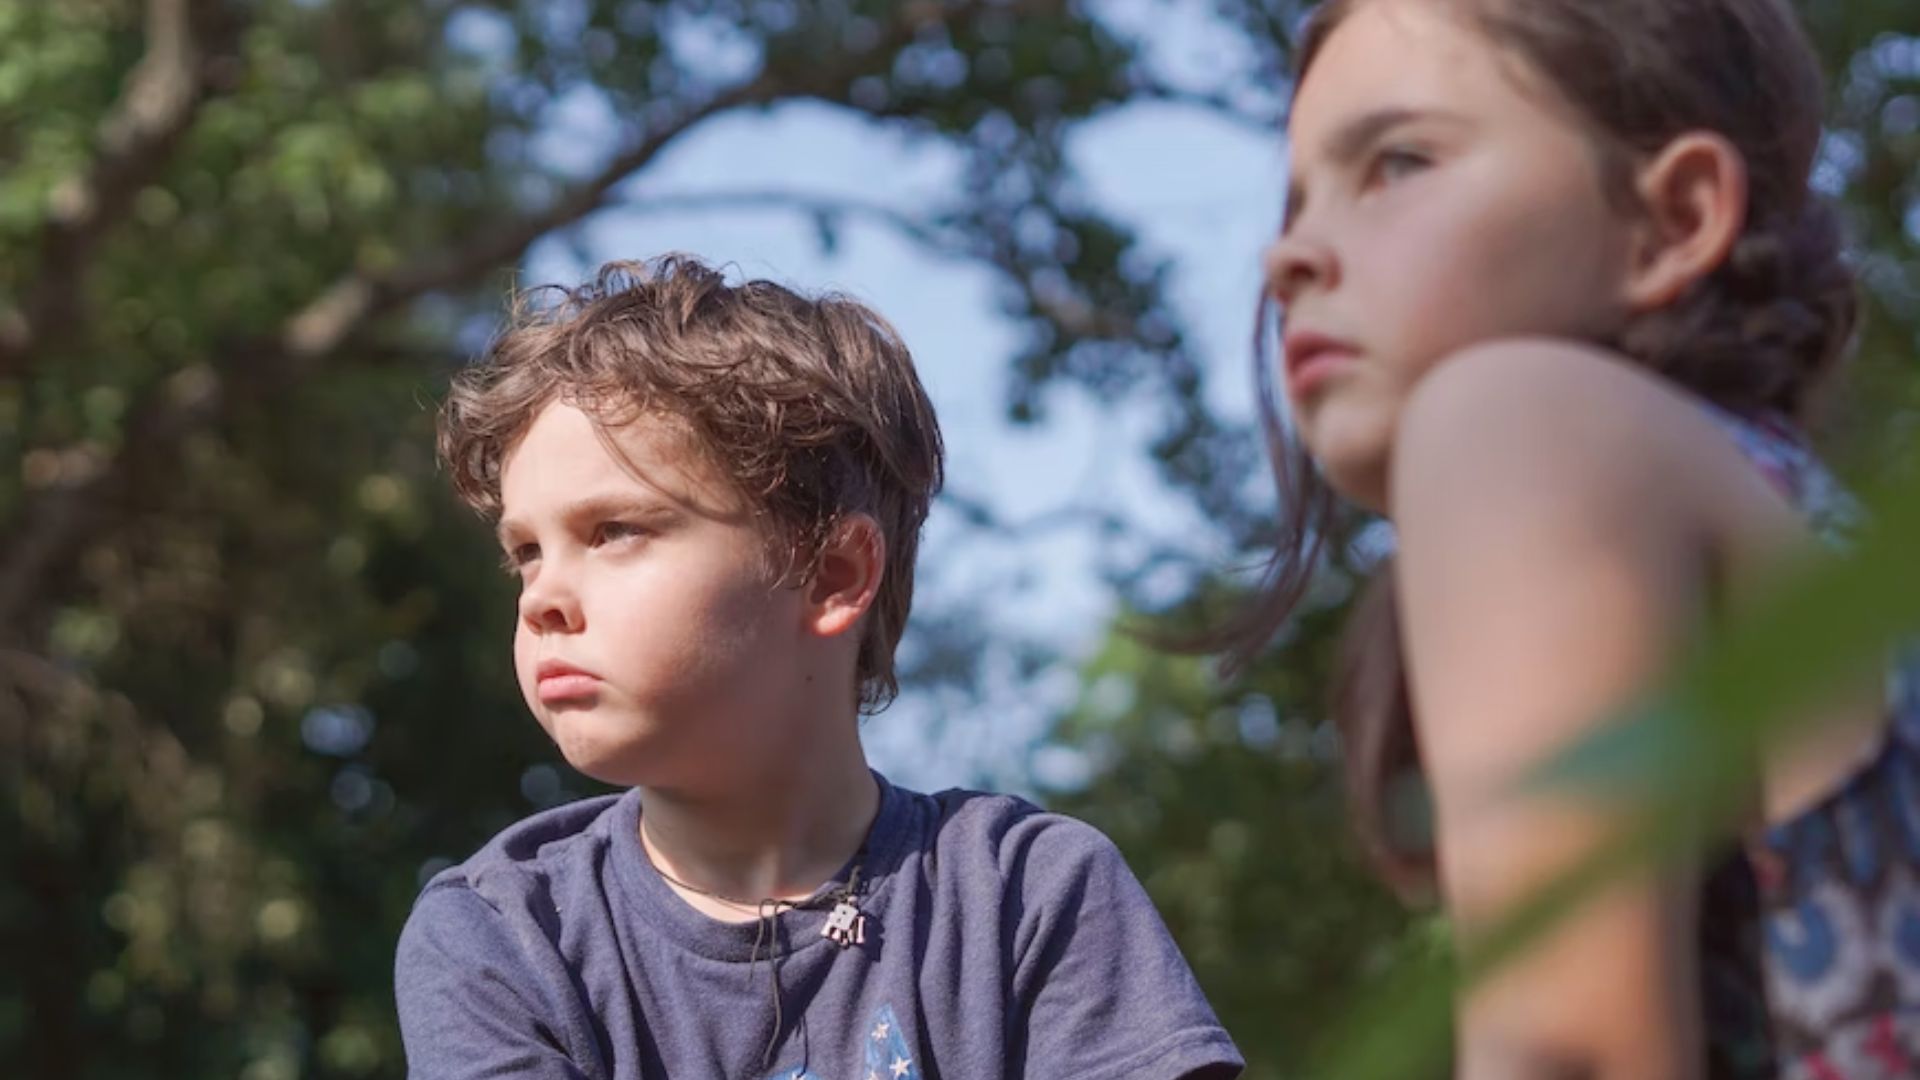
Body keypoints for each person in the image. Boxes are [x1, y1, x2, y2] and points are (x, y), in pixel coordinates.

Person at [1224, 0, 1920, 1075]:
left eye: (1398, 163)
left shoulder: (1516, 418)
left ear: (1676, 218)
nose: (1287, 257)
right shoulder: (1798, 520)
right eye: (1297, 199)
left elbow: (1568, 1056)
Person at [396, 255, 1243, 1080]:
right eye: (525, 553)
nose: (542, 597)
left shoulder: (1028, 894)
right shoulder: (500, 937)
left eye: (615, 530)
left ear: (833, 575)